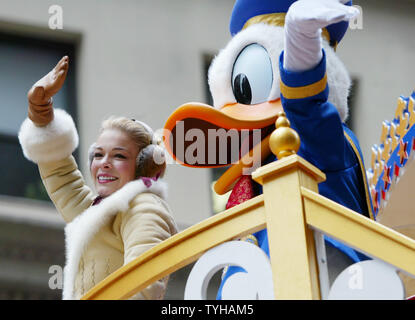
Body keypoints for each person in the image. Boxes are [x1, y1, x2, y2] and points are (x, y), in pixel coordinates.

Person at [18, 56, 177, 300]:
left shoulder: (145, 207)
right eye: (98, 154)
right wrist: (40, 112)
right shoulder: (99, 211)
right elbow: (62, 177)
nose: (103, 163)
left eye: (119, 156)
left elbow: (144, 284)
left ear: (145, 163)